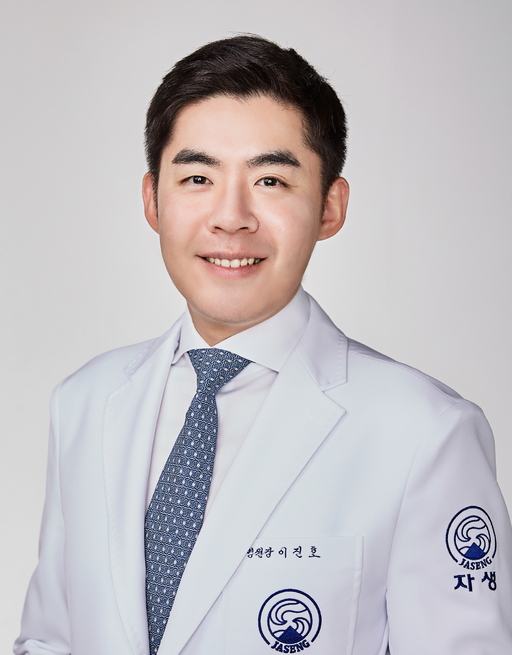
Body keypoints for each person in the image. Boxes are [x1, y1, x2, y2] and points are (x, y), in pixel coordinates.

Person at [15, 35, 512, 655]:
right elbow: (50, 640)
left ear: (330, 207)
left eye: (271, 180)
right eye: (197, 177)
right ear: (152, 200)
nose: (231, 217)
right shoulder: (85, 402)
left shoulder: (426, 433)